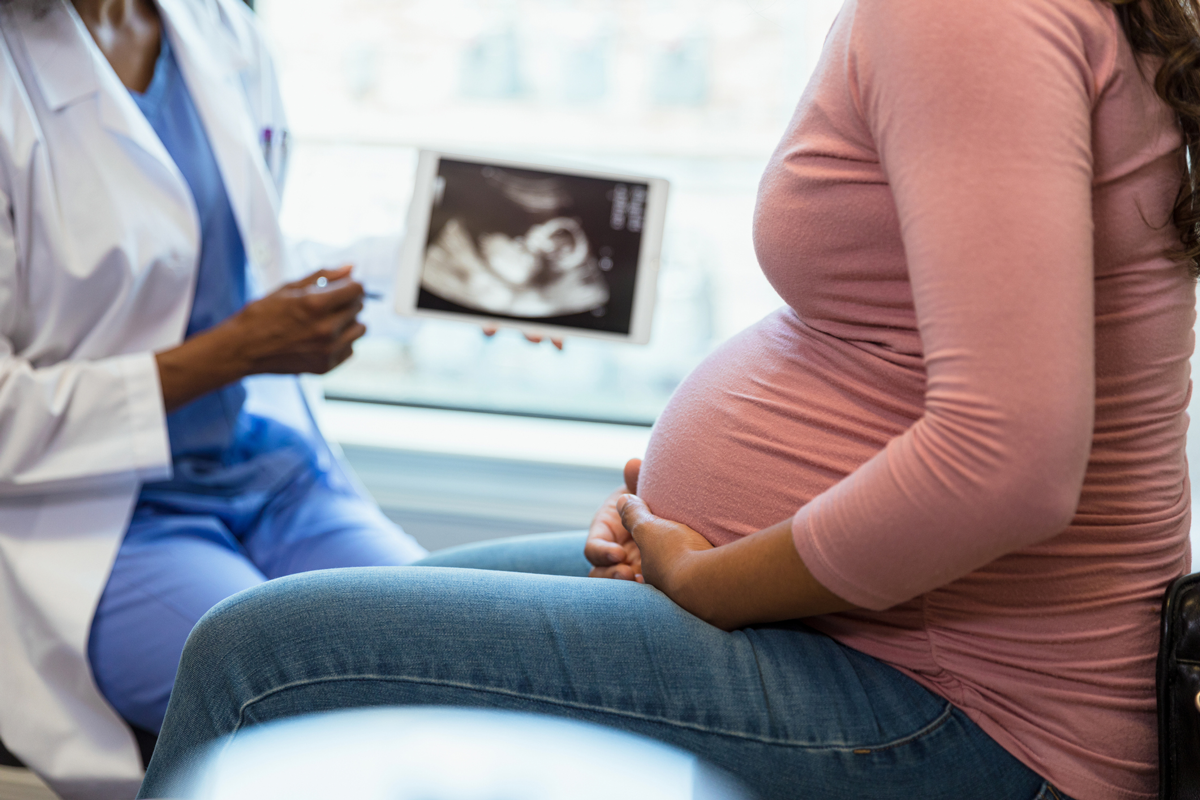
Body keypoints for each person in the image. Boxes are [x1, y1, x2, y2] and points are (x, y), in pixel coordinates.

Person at [138, 0, 1195, 798]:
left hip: (972, 701)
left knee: (260, 657)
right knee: (360, 610)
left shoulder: (967, 17)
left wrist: (717, 574)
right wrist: (696, 521)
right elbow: (903, 355)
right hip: (879, 624)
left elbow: (1008, 463)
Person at [0, 0, 431, 796]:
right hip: (94, 517)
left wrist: (449, 282)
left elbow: (237, 256)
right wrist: (233, 354)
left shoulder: (215, 22)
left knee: (468, 669)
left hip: (264, 472)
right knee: (312, 736)